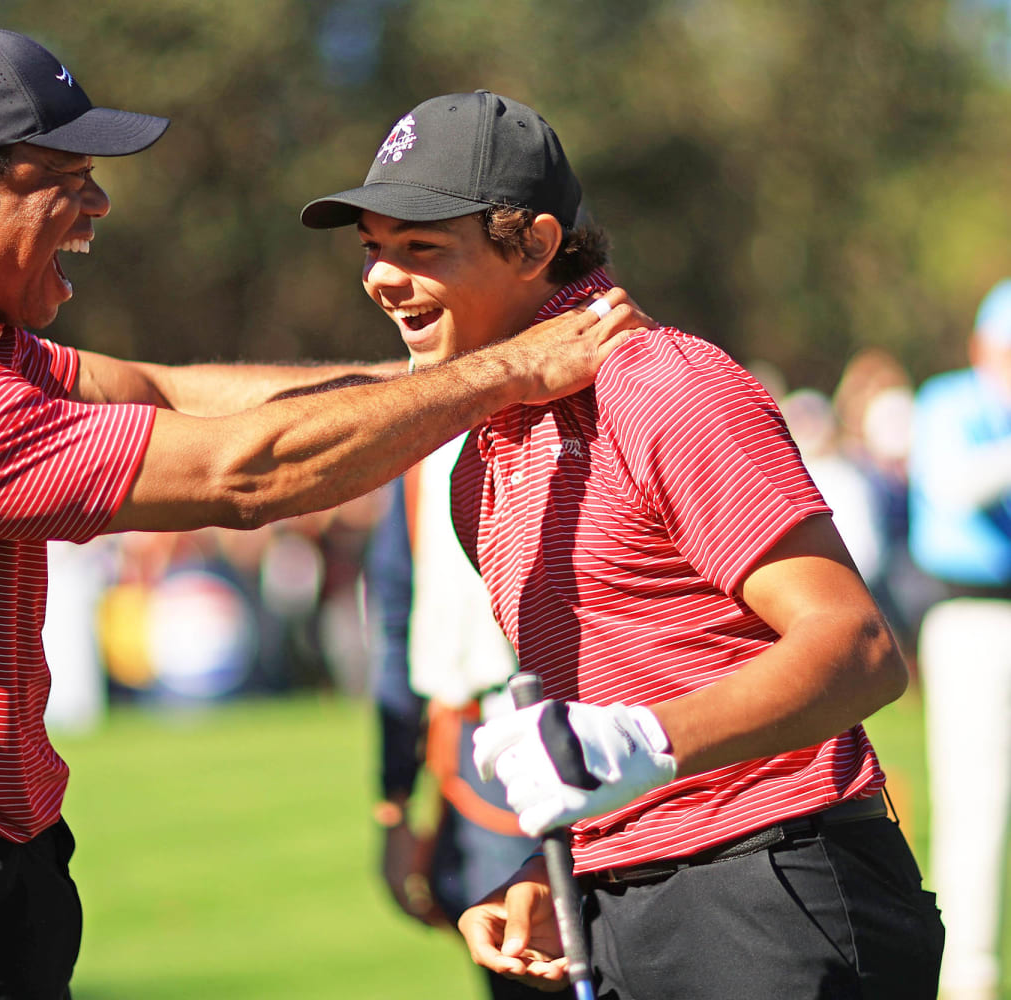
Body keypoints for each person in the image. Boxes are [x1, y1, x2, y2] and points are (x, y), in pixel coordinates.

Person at [0, 27, 641, 1000]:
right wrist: (513, 371)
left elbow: (163, 391)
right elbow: (247, 474)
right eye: (68, 178)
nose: (98, 204)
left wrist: (449, 372)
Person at [301, 90, 943, 998]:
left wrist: (643, 739)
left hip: (773, 884)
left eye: (420, 248)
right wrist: (543, 871)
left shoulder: (659, 383)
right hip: (620, 900)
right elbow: (604, 711)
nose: (381, 278)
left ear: (534, 244)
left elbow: (860, 648)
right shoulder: (476, 460)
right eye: (372, 248)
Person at [365, 432, 542, 999]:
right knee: (522, 967)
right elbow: (397, 624)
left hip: (615, 729)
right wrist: (395, 805)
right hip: (484, 743)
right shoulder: (424, 444)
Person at [908, 278, 1011, 1000]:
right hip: (971, 617)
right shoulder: (948, 403)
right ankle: (967, 973)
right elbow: (953, 488)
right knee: (975, 799)